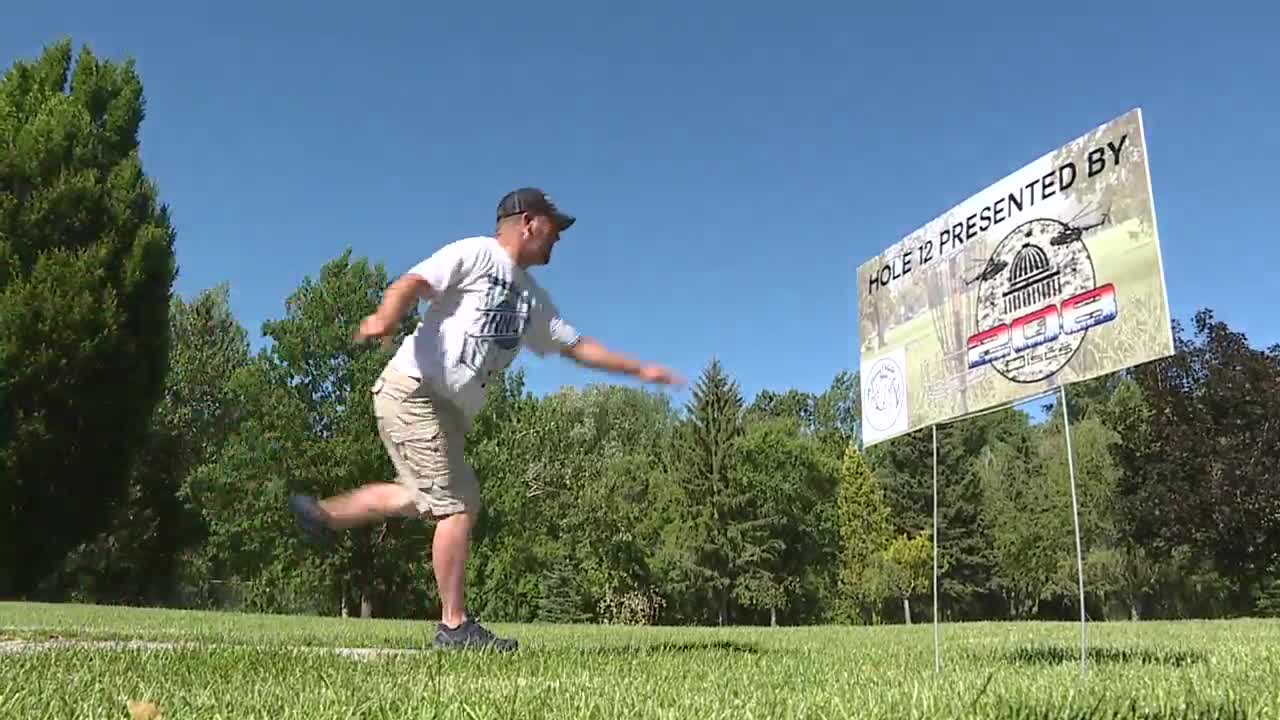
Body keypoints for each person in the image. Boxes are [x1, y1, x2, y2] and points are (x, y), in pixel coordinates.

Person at [287, 187, 683, 651]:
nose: (558, 240)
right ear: (528, 222)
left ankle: (322, 514)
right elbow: (414, 282)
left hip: (446, 413)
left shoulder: (532, 299)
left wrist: (641, 370)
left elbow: (578, 348)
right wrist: (384, 316)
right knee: (458, 504)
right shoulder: (477, 253)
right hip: (415, 392)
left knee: (421, 497)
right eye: (554, 228)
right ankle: (454, 628)